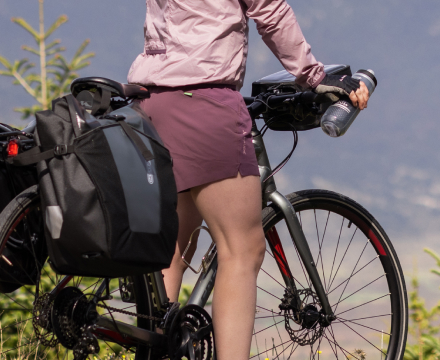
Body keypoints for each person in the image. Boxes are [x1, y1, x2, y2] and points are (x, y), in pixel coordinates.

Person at [128, 0, 369, 356]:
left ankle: (153, 352)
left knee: (174, 247)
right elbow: (270, 11)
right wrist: (316, 77)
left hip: (152, 101)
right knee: (243, 249)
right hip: (205, 102)